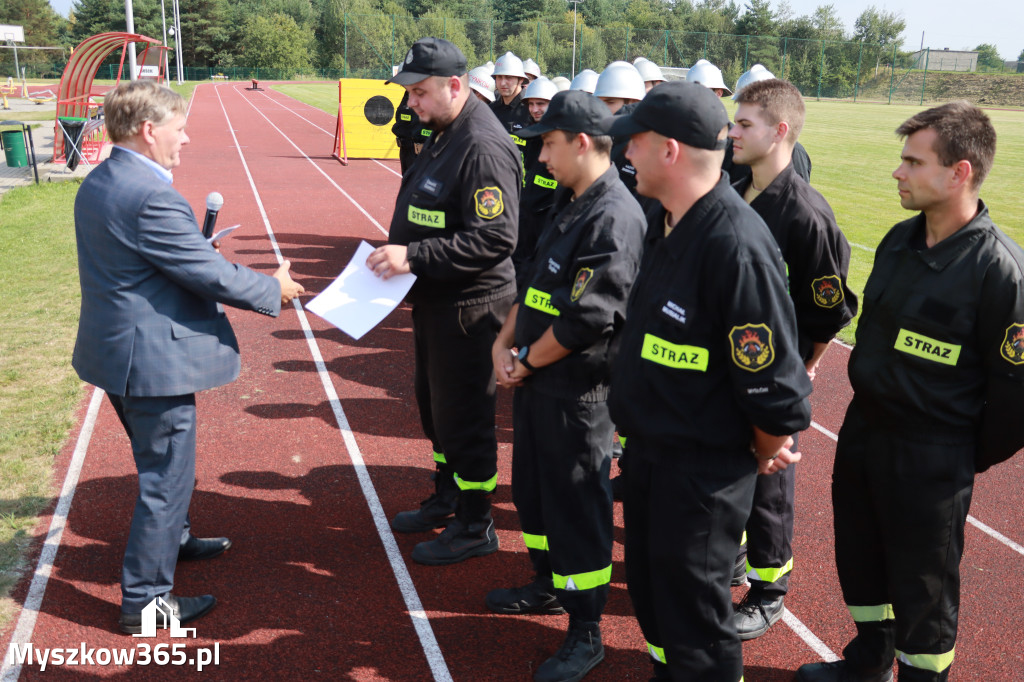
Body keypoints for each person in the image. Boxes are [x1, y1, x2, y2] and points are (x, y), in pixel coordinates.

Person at [796, 102, 1024, 682]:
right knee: (861, 556)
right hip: (865, 430)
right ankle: (867, 660)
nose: (897, 172)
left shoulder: (999, 269)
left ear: (960, 172)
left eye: (912, 161)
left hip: (934, 453)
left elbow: (1016, 395)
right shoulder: (899, 241)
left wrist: (957, 456)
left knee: (925, 586)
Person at [71, 80, 304, 634]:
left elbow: (153, 258)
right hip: (150, 362)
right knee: (166, 477)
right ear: (149, 131)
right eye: (179, 128)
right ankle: (146, 604)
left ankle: (172, 542)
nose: (186, 138)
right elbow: (208, 275)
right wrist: (274, 290)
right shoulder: (151, 194)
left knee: (161, 470)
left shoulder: (103, 178)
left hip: (117, 352)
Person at [606, 81, 812, 681]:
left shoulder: (735, 244)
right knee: (654, 601)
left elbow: (774, 385)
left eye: (634, 143)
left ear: (669, 150)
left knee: (696, 622)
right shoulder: (666, 221)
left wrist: (765, 447)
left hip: (701, 474)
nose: (625, 155)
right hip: (651, 457)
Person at [487, 90, 646, 682]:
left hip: (580, 394)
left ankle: (586, 627)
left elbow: (589, 318)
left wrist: (524, 360)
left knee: (577, 507)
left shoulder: (614, 215)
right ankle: (547, 584)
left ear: (582, 143)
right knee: (533, 493)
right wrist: (505, 346)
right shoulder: (568, 200)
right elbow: (530, 284)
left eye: (549, 144)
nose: (541, 156)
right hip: (537, 381)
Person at [368, 37, 521, 566]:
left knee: (466, 418)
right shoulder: (445, 131)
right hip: (437, 300)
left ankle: (477, 523)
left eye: (420, 93)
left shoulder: (481, 144)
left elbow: (497, 238)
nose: (412, 104)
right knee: (437, 410)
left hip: (471, 308)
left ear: (455, 87)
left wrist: (413, 256)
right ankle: (450, 494)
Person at [727, 77, 857, 640]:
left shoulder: (807, 215)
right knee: (731, 471)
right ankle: (731, 561)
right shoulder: (730, 188)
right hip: (725, 370)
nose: (732, 132)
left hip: (775, 375)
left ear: (780, 132)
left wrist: (801, 372)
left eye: (744, 124)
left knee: (770, 491)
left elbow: (827, 309)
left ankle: (768, 590)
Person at [725, 64, 812, 184]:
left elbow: (797, 195)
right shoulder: (734, 148)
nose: (733, 133)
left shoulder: (794, 153)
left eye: (745, 125)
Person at [513, 76, 560, 284]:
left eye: (541, 104)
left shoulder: (561, 138)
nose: (534, 109)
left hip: (548, 219)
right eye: (531, 104)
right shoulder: (529, 135)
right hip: (525, 215)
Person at [491, 51, 531, 134]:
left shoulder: (531, 110)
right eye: (499, 77)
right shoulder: (491, 110)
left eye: (508, 77)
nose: (502, 83)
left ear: (521, 80)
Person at [392, 89, 431, 174]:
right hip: (405, 151)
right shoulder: (407, 95)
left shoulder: (430, 95)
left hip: (423, 153)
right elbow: (400, 120)